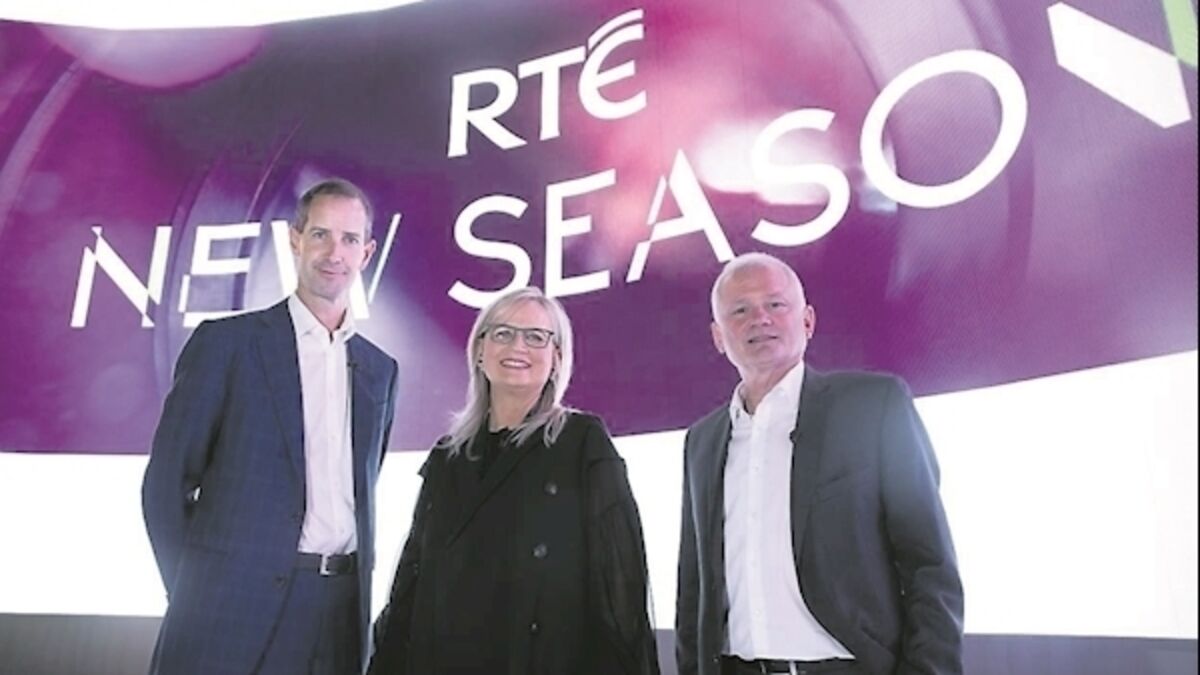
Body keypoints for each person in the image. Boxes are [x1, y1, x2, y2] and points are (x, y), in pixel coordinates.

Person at [142, 178, 399, 674]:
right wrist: (196, 594)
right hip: (230, 611)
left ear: (367, 253)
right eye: (320, 234)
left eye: (349, 239)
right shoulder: (228, 345)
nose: (334, 253)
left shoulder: (379, 371)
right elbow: (165, 486)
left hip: (340, 612)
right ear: (295, 240)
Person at [675, 253, 963, 675]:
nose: (760, 319)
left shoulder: (873, 406)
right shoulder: (702, 441)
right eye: (740, 310)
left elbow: (929, 565)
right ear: (718, 336)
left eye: (776, 304)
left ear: (807, 321)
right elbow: (693, 586)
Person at [368, 287, 660, 675]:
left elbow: (620, 583)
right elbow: (412, 576)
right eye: (503, 333)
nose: (517, 346)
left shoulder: (582, 442)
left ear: (556, 358)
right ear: (479, 350)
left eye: (536, 336)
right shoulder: (447, 456)